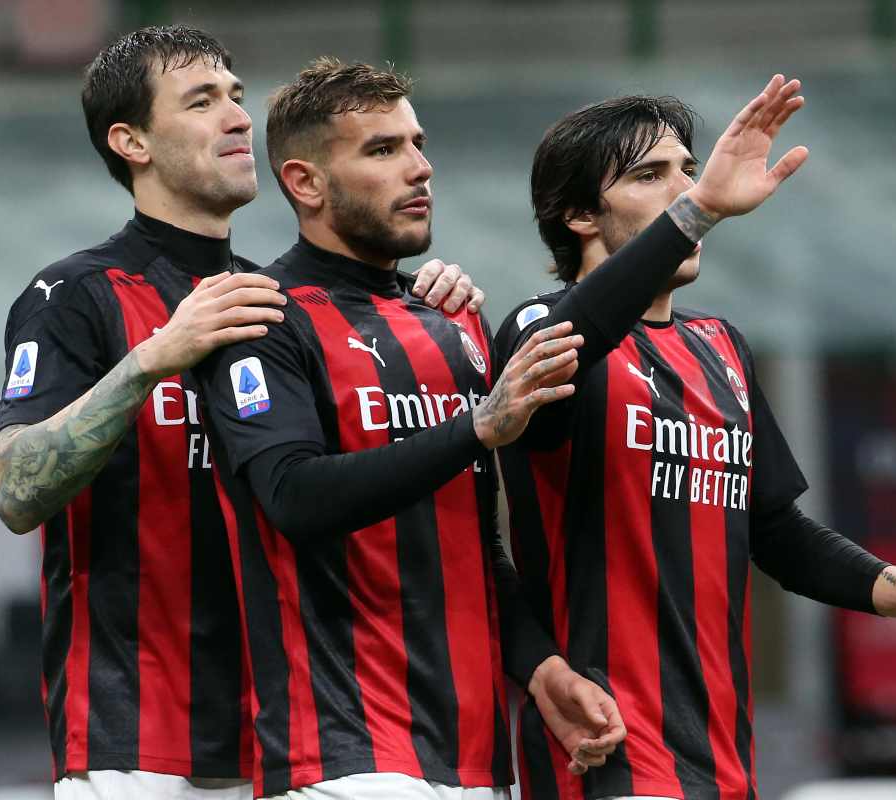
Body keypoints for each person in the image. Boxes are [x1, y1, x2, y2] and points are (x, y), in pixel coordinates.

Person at [0, 27, 482, 800]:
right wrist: (151, 359)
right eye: (202, 100)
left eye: (237, 97)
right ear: (132, 141)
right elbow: (16, 490)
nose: (237, 118)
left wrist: (415, 305)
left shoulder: (282, 303)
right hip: (138, 741)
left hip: (296, 736)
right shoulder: (74, 295)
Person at [493, 76, 896, 800]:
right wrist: (694, 213)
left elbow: (774, 530)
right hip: (604, 756)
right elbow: (582, 331)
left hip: (723, 760)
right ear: (576, 214)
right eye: (649, 175)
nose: (684, 187)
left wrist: (895, 589)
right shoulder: (540, 332)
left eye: (687, 171)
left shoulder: (720, 343)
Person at [193, 58, 626, 800]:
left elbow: (476, 541)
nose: (421, 169)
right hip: (342, 754)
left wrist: (543, 667)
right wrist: (476, 429)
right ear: (305, 183)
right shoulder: (261, 318)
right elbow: (292, 497)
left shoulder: (451, 319)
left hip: (476, 756)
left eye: (418, 144)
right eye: (383, 150)